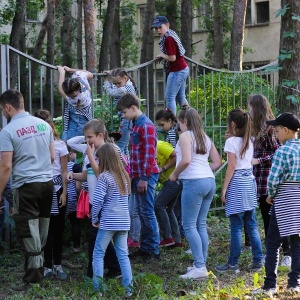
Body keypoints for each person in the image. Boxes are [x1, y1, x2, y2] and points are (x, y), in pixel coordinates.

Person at [0, 90, 54, 291]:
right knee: (41, 228)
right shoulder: (43, 125)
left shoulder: (8, 131)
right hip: (47, 183)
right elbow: (51, 157)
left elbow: (5, 167)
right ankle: (40, 272)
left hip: (25, 186)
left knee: (28, 232)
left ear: (8, 107)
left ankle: (33, 280)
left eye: (2, 110)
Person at [169, 107, 222, 279]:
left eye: (179, 123)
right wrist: (204, 170)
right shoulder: (204, 137)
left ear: (184, 122)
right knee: (200, 225)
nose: (179, 127)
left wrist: (175, 174)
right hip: (209, 181)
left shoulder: (185, 136)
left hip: (193, 182)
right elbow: (218, 161)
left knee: (189, 225)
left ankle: (200, 266)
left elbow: (186, 160)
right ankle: (201, 263)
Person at [252, 112, 300, 297]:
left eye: (277, 130)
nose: (276, 134)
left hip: (285, 200)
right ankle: (294, 284)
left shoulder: (282, 151)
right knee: (297, 242)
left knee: (273, 243)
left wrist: (270, 195)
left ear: (286, 130)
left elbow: (273, 179)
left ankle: (269, 286)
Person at [67, 119, 122, 279]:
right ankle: (114, 269)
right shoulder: (89, 152)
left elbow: (103, 176)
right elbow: (86, 175)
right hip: (95, 201)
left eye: (90, 137)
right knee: (98, 235)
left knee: (95, 236)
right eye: (85, 138)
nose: (87, 141)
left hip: (108, 201)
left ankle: (93, 274)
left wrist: (91, 156)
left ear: (100, 135)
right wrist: (71, 175)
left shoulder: (112, 150)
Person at [216, 109, 264, 273]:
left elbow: (232, 166)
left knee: (236, 225)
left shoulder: (231, 143)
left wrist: (224, 188)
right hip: (249, 182)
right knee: (251, 224)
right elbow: (248, 161)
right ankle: (258, 260)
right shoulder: (249, 140)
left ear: (233, 124)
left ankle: (233, 263)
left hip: (236, 183)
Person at [248, 94, 291, 266]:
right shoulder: (256, 128)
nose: (248, 110)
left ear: (257, 107)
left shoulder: (271, 129)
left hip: (270, 178)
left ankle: (288, 253)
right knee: (267, 218)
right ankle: (273, 251)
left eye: (250, 106)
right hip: (259, 179)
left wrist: (259, 160)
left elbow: (279, 151)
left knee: (278, 216)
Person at [116, 93, 161, 261]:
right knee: (142, 212)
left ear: (133, 108)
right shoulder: (135, 124)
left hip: (146, 176)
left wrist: (143, 177)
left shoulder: (146, 126)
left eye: (125, 112)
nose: (124, 116)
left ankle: (154, 250)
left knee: (147, 212)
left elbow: (150, 155)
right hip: (137, 175)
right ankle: (145, 247)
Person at [92, 143, 133, 297]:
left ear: (104, 159)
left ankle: (98, 290)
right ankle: (129, 289)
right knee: (123, 255)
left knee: (98, 254)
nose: (97, 160)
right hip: (124, 221)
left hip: (108, 221)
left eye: (98, 158)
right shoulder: (124, 176)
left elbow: (97, 201)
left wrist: (95, 218)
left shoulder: (104, 177)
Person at [35, 110, 68, 280]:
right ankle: (46, 265)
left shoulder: (61, 145)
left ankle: (58, 264)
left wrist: (65, 192)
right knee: (44, 229)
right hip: (43, 188)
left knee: (58, 229)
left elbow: (64, 171)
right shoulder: (35, 145)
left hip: (58, 190)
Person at [152, 16, 189, 115]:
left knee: (170, 97)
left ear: (167, 25)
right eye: (156, 28)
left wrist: (162, 55)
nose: (158, 30)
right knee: (180, 97)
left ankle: (171, 123)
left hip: (177, 70)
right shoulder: (170, 33)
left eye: (160, 27)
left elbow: (172, 58)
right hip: (183, 68)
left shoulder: (168, 38)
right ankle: (189, 119)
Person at [103, 68, 137, 156]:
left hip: (126, 120)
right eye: (115, 83)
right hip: (126, 119)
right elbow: (115, 86)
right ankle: (127, 167)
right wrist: (111, 75)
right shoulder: (126, 85)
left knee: (120, 145)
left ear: (125, 78)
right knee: (125, 146)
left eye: (119, 83)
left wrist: (106, 80)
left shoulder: (124, 89)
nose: (117, 85)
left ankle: (121, 167)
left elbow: (110, 92)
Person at [155, 140, 182, 247]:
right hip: (170, 182)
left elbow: (177, 156)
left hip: (174, 180)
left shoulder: (159, 145)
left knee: (158, 205)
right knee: (168, 209)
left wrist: (163, 168)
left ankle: (167, 237)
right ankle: (177, 240)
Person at [57, 65, 93, 141]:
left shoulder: (79, 98)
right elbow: (90, 74)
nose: (71, 97)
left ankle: (70, 151)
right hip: (81, 114)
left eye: (73, 95)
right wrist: (71, 70)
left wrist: (62, 72)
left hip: (79, 117)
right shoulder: (79, 76)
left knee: (71, 140)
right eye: (68, 95)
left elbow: (60, 90)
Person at [66, 149, 82, 253]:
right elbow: (78, 187)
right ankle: (76, 247)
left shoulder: (57, 165)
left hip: (57, 197)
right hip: (72, 198)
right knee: (75, 223)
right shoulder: (75, 166)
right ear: (70, 153)